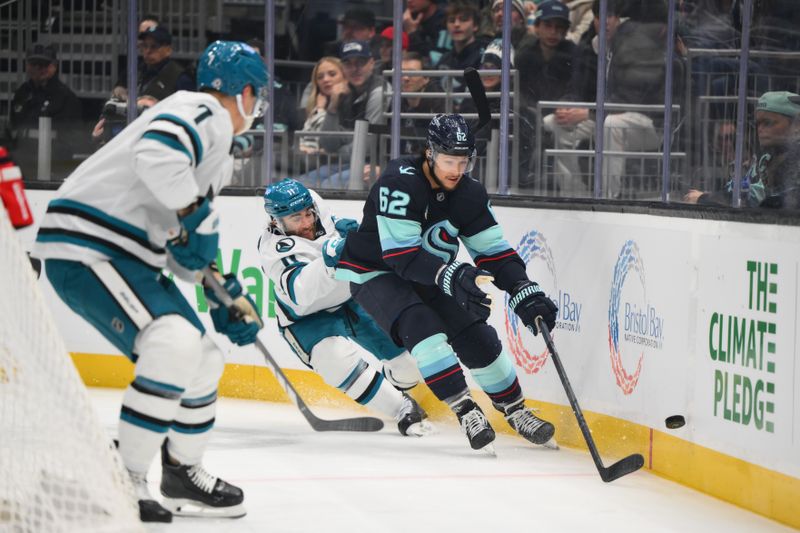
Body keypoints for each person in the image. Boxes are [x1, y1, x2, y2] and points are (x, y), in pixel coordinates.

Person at [31, 41, 268, 522]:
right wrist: (195, 217)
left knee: (202, 358)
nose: (259, 107)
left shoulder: (212, 147)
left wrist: (219, 290)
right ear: (246, 93)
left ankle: (183, 472)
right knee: (176, 343)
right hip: (90, 246)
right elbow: (157, 154)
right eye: (260, 96)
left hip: (124, 256)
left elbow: (183, 248)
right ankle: (125, 474)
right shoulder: (202, 110)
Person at [335, 114, 559, 452]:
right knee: (421, 326)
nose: (456, 169)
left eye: (463, 161)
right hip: (374, 271)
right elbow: (401, 257)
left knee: (476, 335)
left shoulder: (469, 194)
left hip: (429, 273)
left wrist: (522, 288)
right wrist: (451, 274)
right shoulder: (399, 181)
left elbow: (494, 252)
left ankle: (516, 410)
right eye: (448, 160)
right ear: (430, 153)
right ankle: (465, 409)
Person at [258, 179, 433, 436]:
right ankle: (401, 408)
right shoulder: (272, 250)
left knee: (409, 366)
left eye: (308, 214)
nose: (306, 222)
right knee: (335, 361)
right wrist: (330, 262)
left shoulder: (314, 201)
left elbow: (334, 232)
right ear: (276, 221)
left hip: (351, 298)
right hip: (306, 320)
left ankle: (397, 388)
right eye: (296, 218)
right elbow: (302, 291)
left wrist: (350, 236)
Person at [684, 91, 800, 209]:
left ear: (797, 125)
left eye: (768, 123)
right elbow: (745, 193)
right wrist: (711, 197)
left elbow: (769, 202)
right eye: (757, 124)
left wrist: (703, 199)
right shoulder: (764, 161)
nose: (760, 130)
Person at [6, 43, 82, 179]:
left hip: (50, 166)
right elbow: (12, 128)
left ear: (54, 66)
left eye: (43, 64)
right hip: (21, 163)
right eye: (33, 63)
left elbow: (71, 139)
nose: (37, 68)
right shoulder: (22, 93)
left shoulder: (64, 96)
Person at [437, 1, 487, 97]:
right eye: (451, 20)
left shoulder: (484, 57)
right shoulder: (444, 59)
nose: (456, 25)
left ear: (475, 26)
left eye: (463, 20)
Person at [297, 57, 347, 154]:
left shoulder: (348, 102)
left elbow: (326, 141)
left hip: (331, 160)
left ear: (344, 75)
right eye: (320, 77)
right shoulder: (315, 103)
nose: (326, 79)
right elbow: (304, 136)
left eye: (332, 74)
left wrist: (320, 111)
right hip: (307, 157)